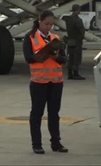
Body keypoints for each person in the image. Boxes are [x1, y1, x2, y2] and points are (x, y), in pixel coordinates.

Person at [23, 10, 68, 154]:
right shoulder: (30, 37)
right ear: (40, 21)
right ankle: (36, 144)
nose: (48, 27)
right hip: (39, 82)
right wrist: (41, 54)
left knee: (54, 113)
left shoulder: (55, 38)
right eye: (46, 23)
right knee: (37, 113)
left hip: (56, 82)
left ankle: (56, 142)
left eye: (51, 24)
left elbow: (63, 60)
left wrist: (55, 56)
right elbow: (28, 58)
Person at [64, 4, 86, 80]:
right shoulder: (78, 20)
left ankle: (70, 73)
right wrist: (82, 36)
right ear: (77, 9)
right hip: (77, 41)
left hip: (70, 40)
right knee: (77, 57)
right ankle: (76, 73)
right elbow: (81, 30)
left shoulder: (68, 19)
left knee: (70, 57)